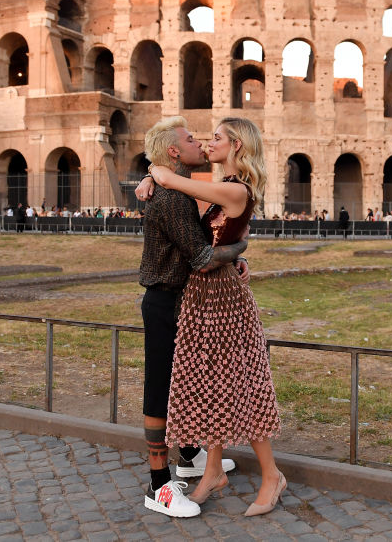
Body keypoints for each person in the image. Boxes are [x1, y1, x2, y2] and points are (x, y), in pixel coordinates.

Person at [147, 117, 284, 517]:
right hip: (206, 293)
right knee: (211, 383)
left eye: (218, 138)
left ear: (237, 145)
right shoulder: (227, 185)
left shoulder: (234, 188)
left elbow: (175, 182)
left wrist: (154, 172)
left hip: (222, 297)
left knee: (239, 382)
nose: (209, 142)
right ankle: (211, 470)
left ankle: (271, 475)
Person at [135, 116, 249, 518]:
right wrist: (241, 247)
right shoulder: (170, 199)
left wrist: (152, 174)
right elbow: (202, 257)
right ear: (173, 152)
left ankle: (188, 455)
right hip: (165, 301)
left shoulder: (173, 191)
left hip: (177, 298)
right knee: (159, 388)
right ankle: (158, 485)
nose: (198, 141)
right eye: (189, 138)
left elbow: (202, 241)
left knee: (180, 380)